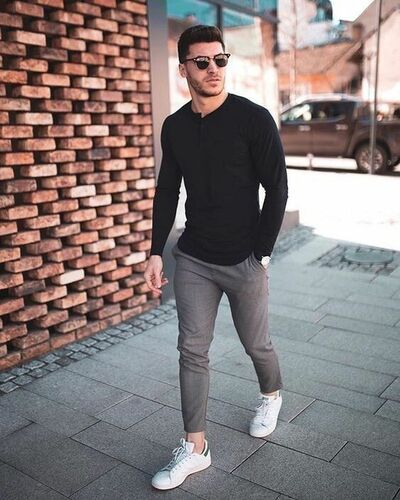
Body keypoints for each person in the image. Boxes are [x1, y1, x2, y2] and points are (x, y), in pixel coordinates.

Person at [144, 24, 288, 491]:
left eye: (220, 60)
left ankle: (271, 395)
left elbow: (277, 189)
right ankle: (195, 448)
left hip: (244, 258)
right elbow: (167, 191)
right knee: (192, 349)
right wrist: (155, 252)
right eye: (202, 61)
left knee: (256, 344)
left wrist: (262, 254)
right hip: (194, 259)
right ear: (183, 68)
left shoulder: (253, 119)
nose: (213, 69)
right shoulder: (175, 127)